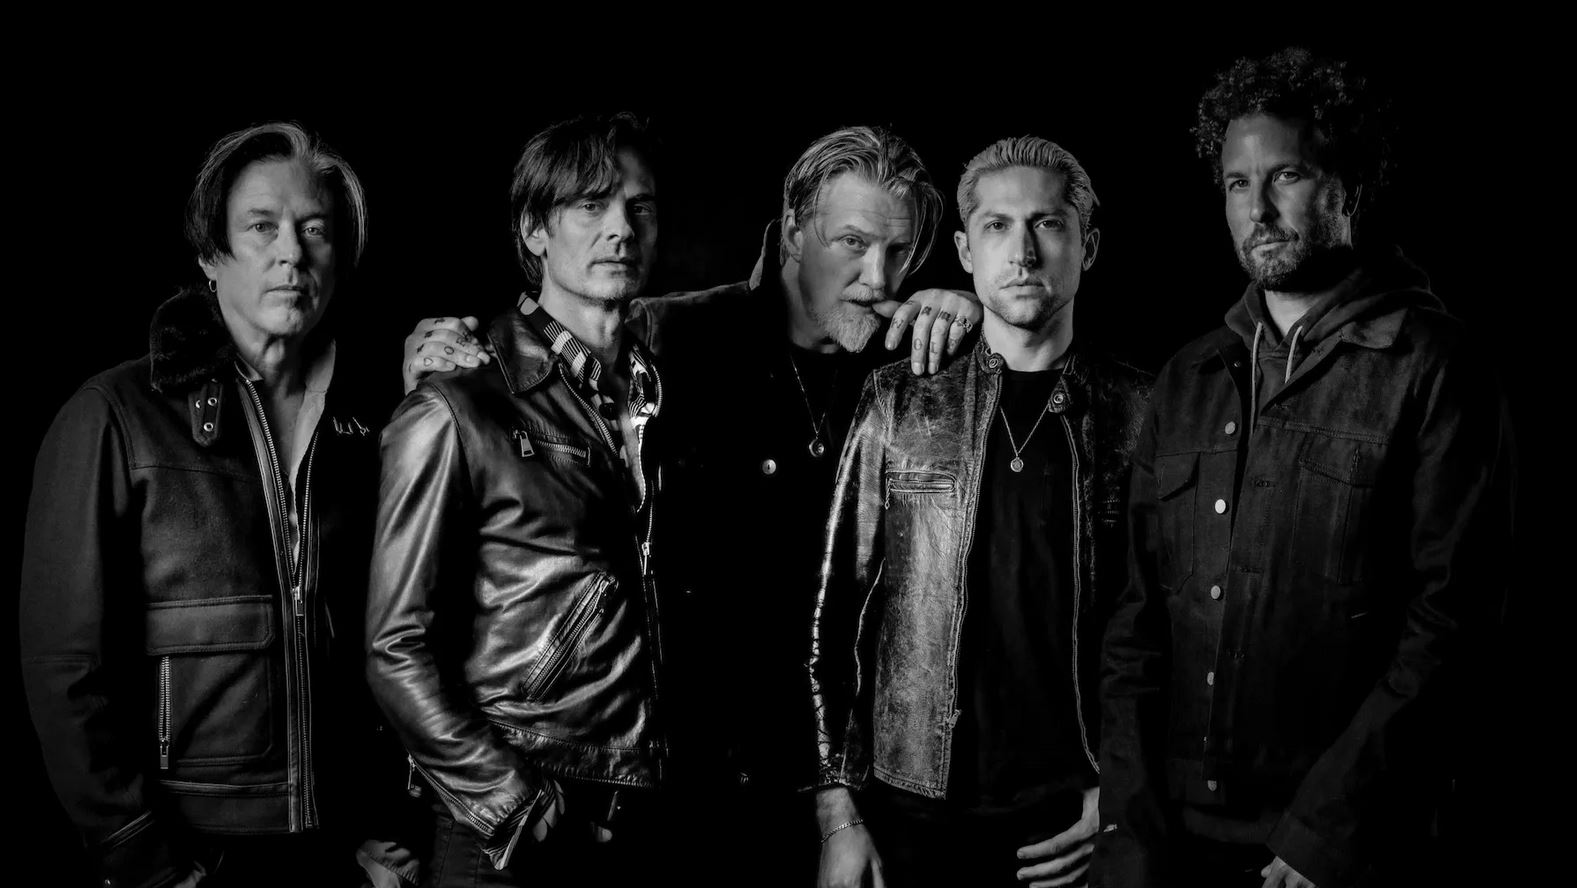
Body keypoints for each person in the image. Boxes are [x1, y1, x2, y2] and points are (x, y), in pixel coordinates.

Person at [400, 125, 979, 887]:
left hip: (854, 790)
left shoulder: (919, 361)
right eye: (851, 242)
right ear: (792, 232)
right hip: (677, 791)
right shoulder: (667, 336)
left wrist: (977, 312)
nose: (877, 275)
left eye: (899, 251)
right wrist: (441, 359)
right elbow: (533, 374)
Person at [1095, 48, 1516, 888]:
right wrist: (1127, 832)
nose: (1256, 209)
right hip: (1170, 843)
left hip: (1338, 850)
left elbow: (1452, 624)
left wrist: (1328, 832)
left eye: (1284, 175)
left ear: (1346, 186)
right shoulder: (1188, 377)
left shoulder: (1433, 366)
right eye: (1235, 183)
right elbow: (1136, 623)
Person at [20, 122, 414, 887]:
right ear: (210, 253)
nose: (291, 253)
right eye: (262, 227)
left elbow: (398, 640)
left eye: (314, 229)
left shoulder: (378, 422)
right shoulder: (114, 416)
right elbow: (64, 671)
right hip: (190, 854)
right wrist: (147, 861)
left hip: (345, 855)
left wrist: (377, 828)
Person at [809, 136, 1149, 888]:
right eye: (997, 226)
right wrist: (838, 812)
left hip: (1070, 818)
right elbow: (833, 617)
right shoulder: (898, 399)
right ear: (965, 250)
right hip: (911, 812)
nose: (1022, 252)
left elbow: (1164, 631)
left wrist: (1122, 797)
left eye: (1047, 224)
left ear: (1088, 247)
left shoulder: (1142, 411)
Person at [365, 113, 669, 888]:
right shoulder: (458, 402)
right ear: (535, 229)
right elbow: (394, 646)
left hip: (643, 812)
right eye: (590, 206)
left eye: (638, 206)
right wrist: (511, 800)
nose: (620, 228)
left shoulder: (662, 395)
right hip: (509, 827)